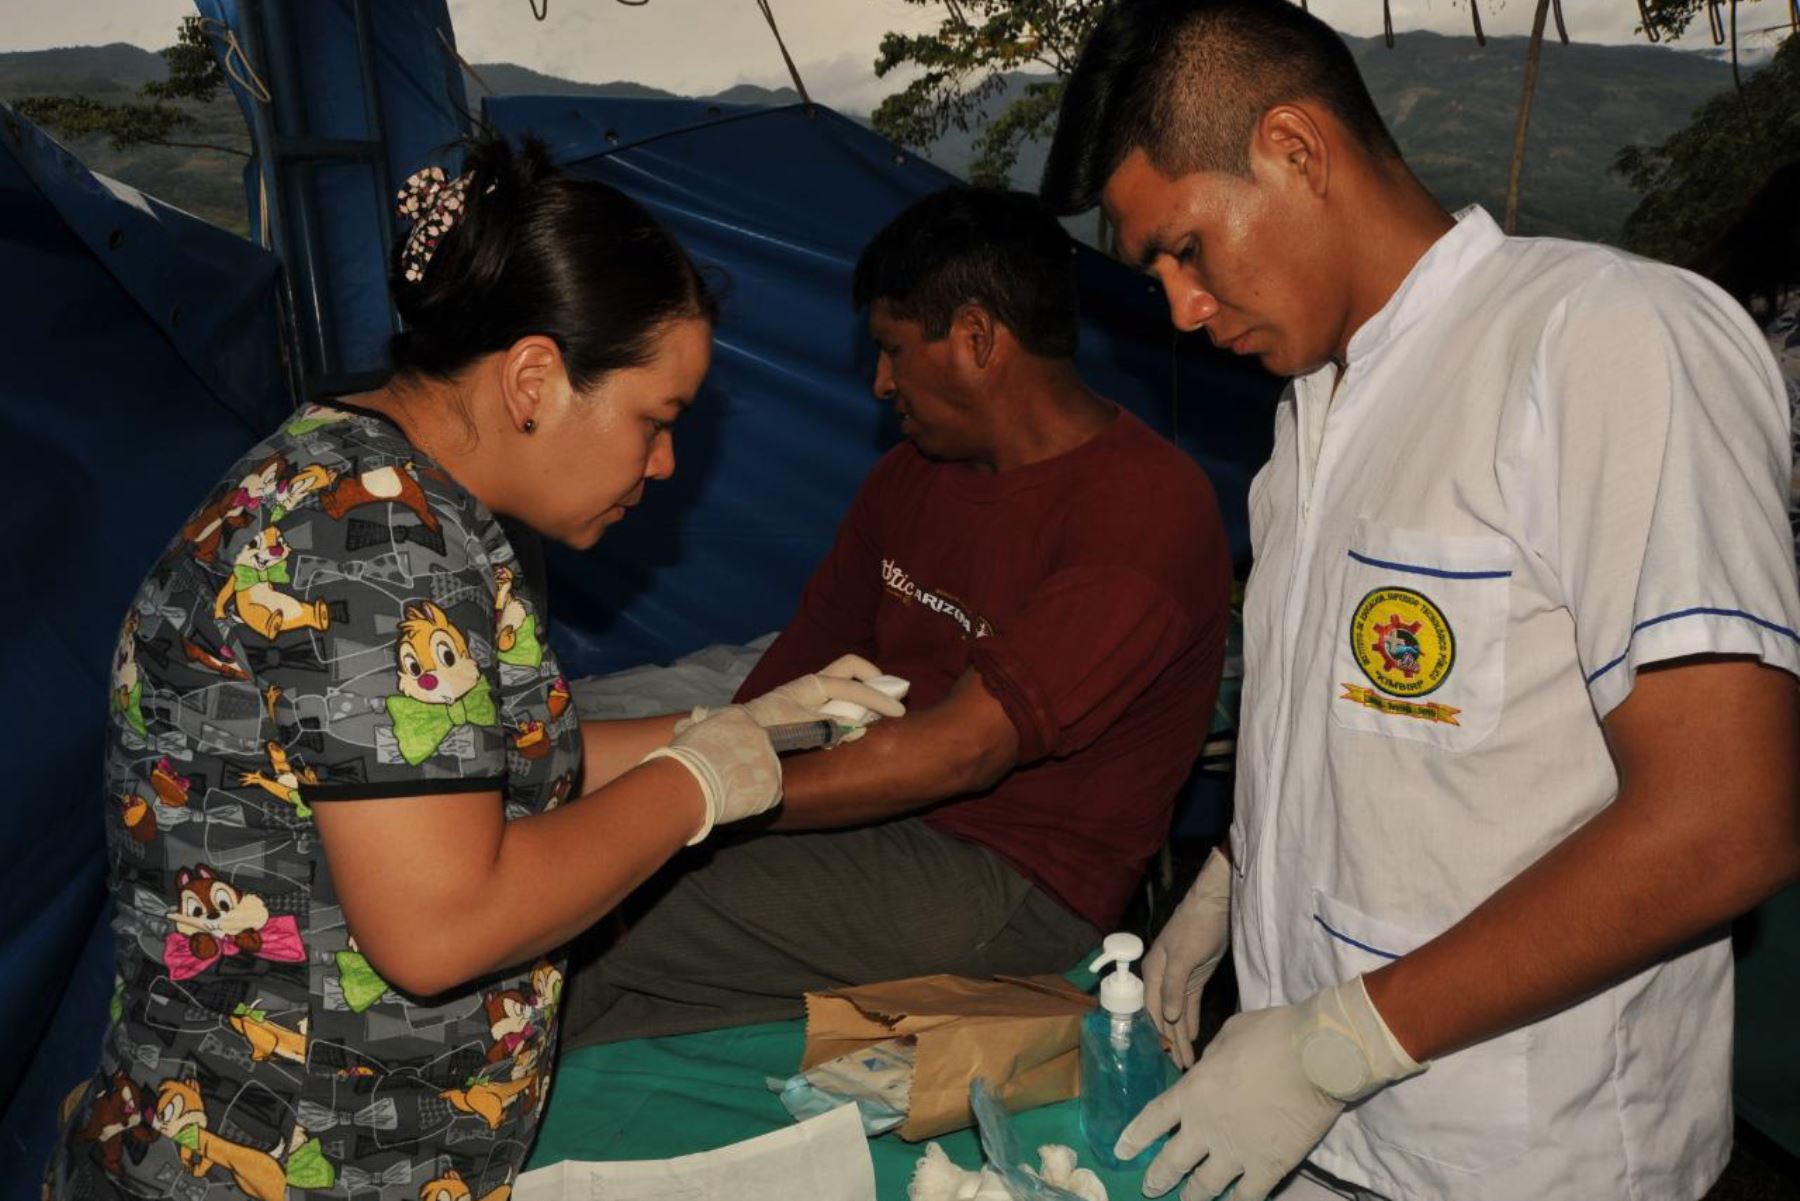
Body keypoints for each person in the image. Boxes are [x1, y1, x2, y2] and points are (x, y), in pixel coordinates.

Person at [46, 132, 902, 1200]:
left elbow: (446, 774)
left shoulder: (364, 482)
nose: (666, 461)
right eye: (657, 418)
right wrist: (693, 787)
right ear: (535, 378)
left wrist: (734, 726)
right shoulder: (377, 542)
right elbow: (440, 927)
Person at [1038, 3, 1800, 1200]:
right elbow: (1365, 740)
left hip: (1525, 1156)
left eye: (1185, 247)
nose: (1180, 308)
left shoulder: (1603, 341)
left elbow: (1725, 820)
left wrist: (1337, 1046)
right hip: (1320, 1141)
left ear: (1294, 149)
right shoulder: (1308, 429)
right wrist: (1230, 885)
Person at [559, 187, 1232, 1047]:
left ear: (978, 339)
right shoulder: (912, 478)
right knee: (621, 960)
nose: (880, 385)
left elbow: (964, 748)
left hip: (1014, 879)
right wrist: (711, 760)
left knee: (598, 899)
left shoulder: (1142, 507)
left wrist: (698, 798)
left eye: (892, 351)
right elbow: (792, 670)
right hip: (885, 825)